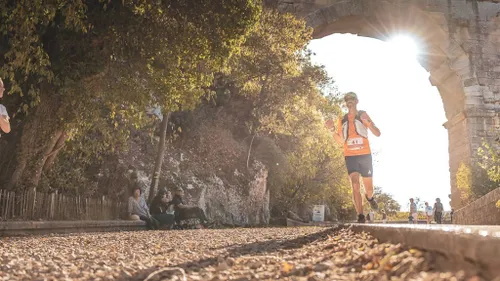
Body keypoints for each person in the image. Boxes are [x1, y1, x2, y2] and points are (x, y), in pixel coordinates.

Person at [326, 92, 381, 223]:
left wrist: (368, 123)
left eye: (351, 99)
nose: (349, 101)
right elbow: (340, 141)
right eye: (347, 100)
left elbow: (377, 133)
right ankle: (360, 215)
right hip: (350, 156)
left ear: (357, 101)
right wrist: (332, 129)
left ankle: (370, 198)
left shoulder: (363, 114)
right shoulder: (342, 119)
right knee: (355, 184)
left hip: (365, 155)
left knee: (369, 189)